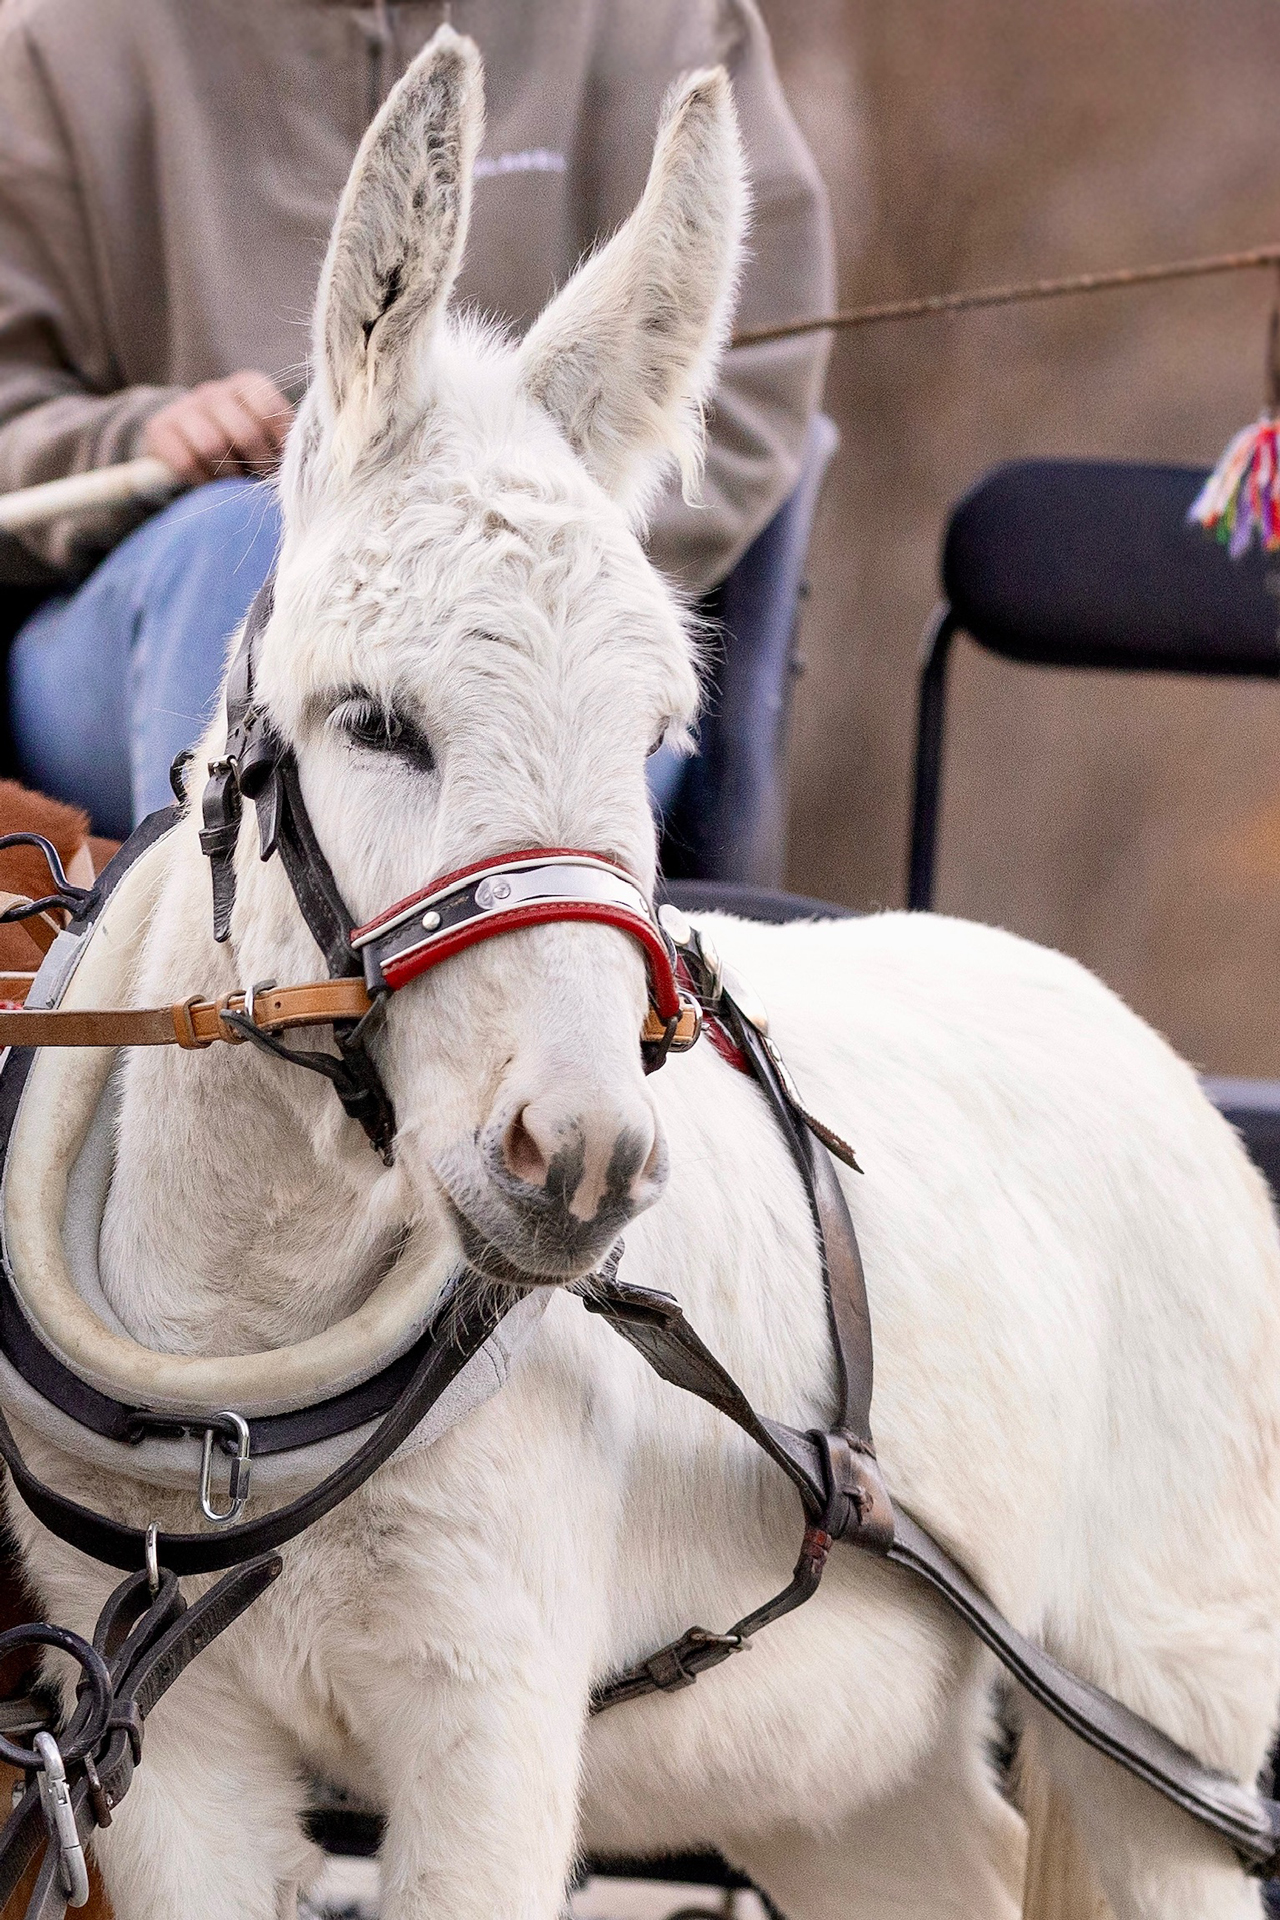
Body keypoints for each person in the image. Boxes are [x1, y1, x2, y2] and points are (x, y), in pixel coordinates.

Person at [0, 0, 834, 841]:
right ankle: (208, 919)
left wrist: (517, 558)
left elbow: (741, 384)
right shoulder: (61, 47)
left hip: (553, 642)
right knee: (239, 548)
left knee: (538, 657)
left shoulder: (669, 24)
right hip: (130, 633)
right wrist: (128, 440)